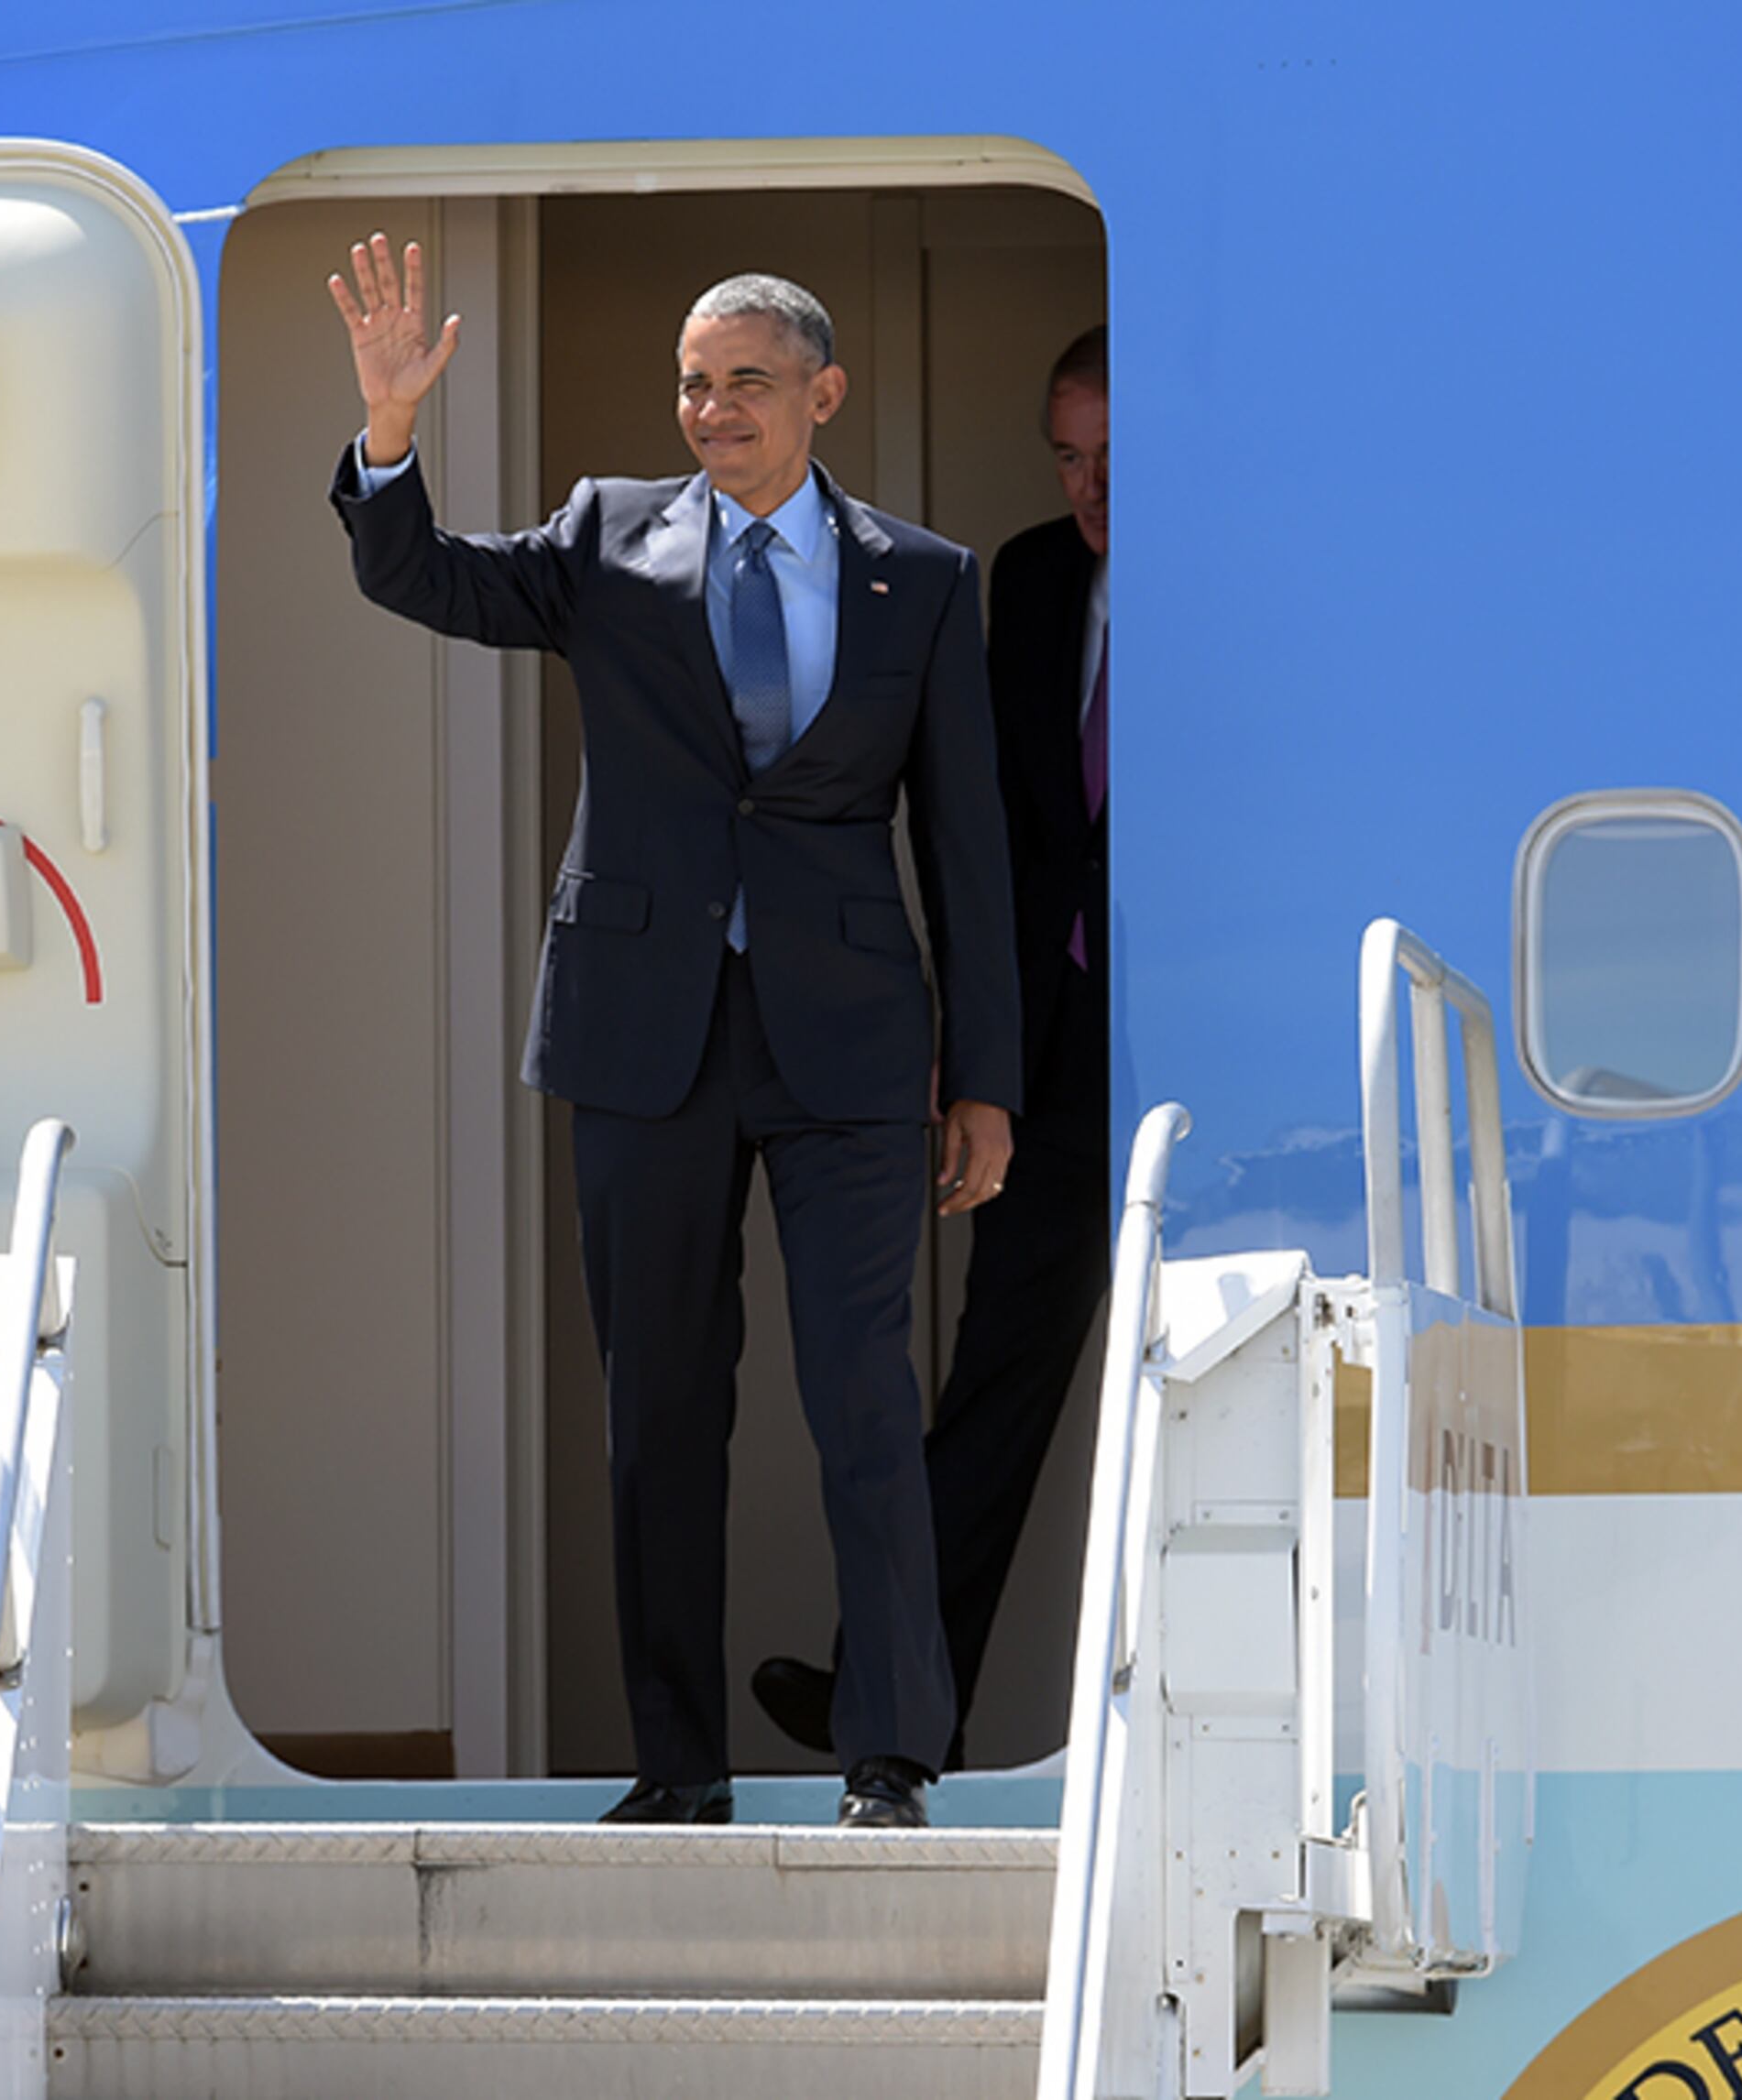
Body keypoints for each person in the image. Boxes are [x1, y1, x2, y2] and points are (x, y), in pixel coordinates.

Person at [323, 237, 1022, 1830]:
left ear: (824, 397)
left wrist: (986, 1080)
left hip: (849, 1046)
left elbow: (967, 845)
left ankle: (889, 1755)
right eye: (695, 384)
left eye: (748, 385)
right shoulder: (604, 534)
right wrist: (386, 435)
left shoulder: (926, 577)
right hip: (647, 1035)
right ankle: (680, 1762)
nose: (713, 411)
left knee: (863, 1396)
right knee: (660, 1408)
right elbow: (424, 579)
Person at [754, 326, 1110, 1773]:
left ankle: (882, 1697)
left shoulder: (1229, 578)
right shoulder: (1025, 580)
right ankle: (898, 1710)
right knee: (996, 1381)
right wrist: (981, 1067)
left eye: (1115, 462)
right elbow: (990, 847)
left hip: (1216, 1049)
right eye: (1070, 459)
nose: (1089, 492)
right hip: (1051, 1046)